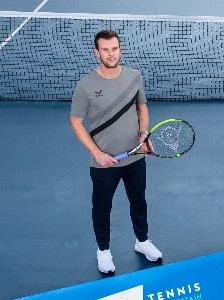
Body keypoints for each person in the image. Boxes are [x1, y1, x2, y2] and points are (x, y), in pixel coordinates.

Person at [70, 29, 162, 274]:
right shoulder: (86, 86)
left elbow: (142, 107)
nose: (111, 54)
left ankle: (142, 242)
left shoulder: (134, 76)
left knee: (139, 201)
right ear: (96, 52)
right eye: (105, 50)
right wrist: (97, 153)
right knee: (102, 207)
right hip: (104, 163)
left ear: (120, 50)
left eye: (114, 49)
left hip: (135, 155)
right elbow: (76, 121)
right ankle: (103, 251)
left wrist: (144, 135)